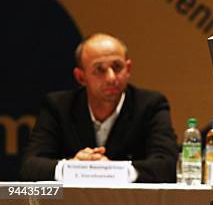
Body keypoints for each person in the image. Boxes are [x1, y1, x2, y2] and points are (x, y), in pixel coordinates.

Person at [21, 33, 178, 183]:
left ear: (128, 69)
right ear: (81, 77)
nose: (111, 78)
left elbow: (168, 165)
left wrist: (113, 170)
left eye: (117, 67)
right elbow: (30, 166)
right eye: (99, 70)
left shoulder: (150, 105)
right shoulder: (58, 106)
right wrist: (71, 167)